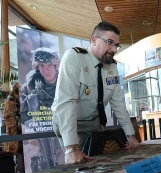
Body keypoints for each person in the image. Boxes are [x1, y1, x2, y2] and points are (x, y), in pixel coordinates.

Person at [51, 21, 139, 164]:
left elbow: (118, 103)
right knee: (79, 165)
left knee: (98, 164)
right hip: (73, 123)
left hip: (94, 123)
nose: (114, 49)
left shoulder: (112, 67)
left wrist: (131, 135)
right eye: (109, 42)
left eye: (116, 45)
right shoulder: (75, 57)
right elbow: (66, 102)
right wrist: (71, 148)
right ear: (93, 40)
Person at [20, 47, 60, 125]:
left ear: (56, 67)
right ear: (38, 68)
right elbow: (19, 115)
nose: (46, 69)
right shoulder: (29, 87)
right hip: (37, 133)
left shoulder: (66, 84)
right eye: (42, 65)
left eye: (50, 65)